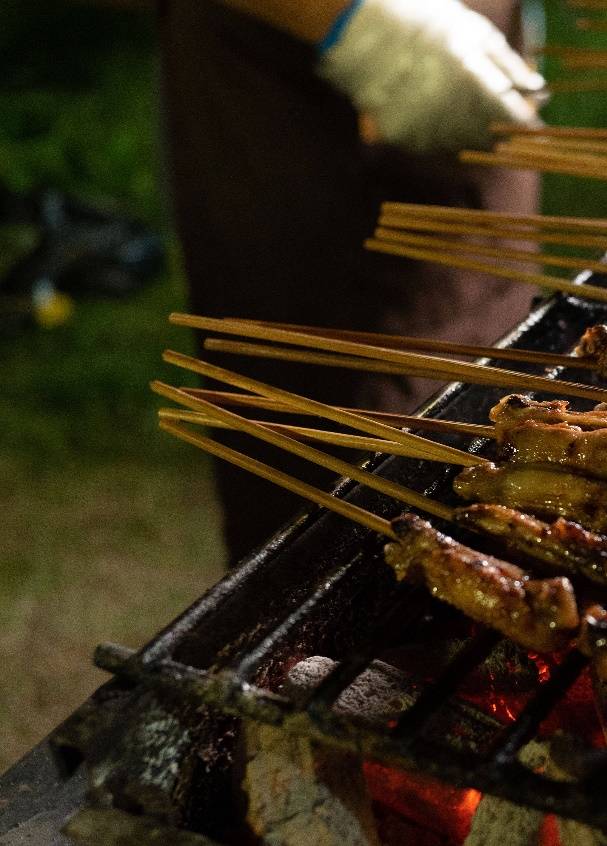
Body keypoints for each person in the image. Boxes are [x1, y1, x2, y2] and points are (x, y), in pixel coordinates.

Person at [158, 0, 544, 562]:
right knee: (344, 513)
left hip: (471, 66)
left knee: (507, 411)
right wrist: (355, 19)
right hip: (301, 92)